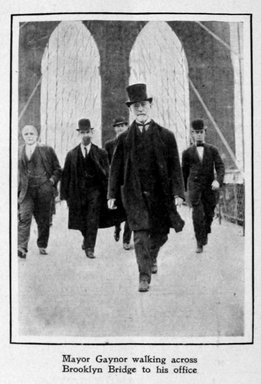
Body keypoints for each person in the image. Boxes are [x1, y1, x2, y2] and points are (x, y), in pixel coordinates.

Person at [107, 83, 185, 292]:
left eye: (143, 104)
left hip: (160, 194)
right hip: (135, 195)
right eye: (135, 106)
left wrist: (179, 192)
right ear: (131, 110)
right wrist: (112, 194)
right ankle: (144, 276)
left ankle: (151, 258)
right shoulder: (124, 139)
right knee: (140, 236)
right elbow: (115, 168)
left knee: (161, 233)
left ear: (149, 106)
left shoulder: (166, 136)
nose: (140, 109)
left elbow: (175, 167)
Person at [60, 118, 113, 259]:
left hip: (95, 192)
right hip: (77, 193)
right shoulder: (71, 154)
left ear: (92, 132)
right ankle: (86, 238)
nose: (85, 135)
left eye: (87, 132)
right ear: (79, 134)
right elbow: (66, 176)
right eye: (82, 132)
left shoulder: (100, 153)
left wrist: (109, 194)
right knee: (81, 220)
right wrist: (64, 196)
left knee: (92, 219)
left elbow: (107, 174)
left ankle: (90, 247)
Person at [18, 124, 62, 258]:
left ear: (37, 136)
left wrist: (51, 182)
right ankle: (21, 247)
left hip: (43, 189)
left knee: (43, 219)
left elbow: (58, 169)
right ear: (23, 136)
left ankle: (42, 244)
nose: (29, 136)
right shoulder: (18, 151)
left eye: (32, 134)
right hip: (26, 191)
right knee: (24, 217)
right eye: (26, 134)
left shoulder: (47, 150)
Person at [182, 119, 225, 253]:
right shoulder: (187, 153)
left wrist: (218, 180)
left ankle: (205, 232)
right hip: (195, 189)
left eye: (201, 132)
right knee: (198, 215)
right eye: (196, 132)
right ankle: (199, 242)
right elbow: (183, 173)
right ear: (192, 134)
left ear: (205, 133)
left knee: (209, 215)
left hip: (210, 189)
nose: (199, 135)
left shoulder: (213, 150)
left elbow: (220, 166)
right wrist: (182, 192)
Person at [105, 116, 132, 250]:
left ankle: (126, 240)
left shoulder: (131, 142)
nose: (120, 127)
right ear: (114, 128)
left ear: (127, 126)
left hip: (128, 181)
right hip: (116, 182)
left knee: (130, 211)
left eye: (123, 125)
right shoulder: (109, 145)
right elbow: (108, 165)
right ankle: (117, 228)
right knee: (117, 210)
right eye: (117, 125)